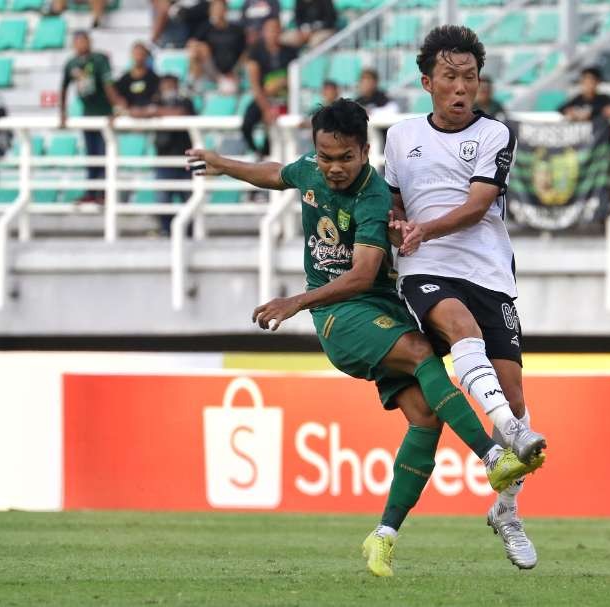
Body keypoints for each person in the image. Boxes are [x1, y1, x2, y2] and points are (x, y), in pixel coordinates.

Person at [185, 99, 544, 578]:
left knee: (426, 418)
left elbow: (362, 274)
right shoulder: (311, 171)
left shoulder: (374, 197)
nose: (333, 168)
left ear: (364, 151)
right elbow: (276, 174)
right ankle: (491, 455)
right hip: (339, 316)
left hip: (374, 307)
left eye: (345, 158)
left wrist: (295, 300)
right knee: (421, 355)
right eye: (325, 157)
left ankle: (383, 536)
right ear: (316, 151)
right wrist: (222, 163)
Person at [384, 25, 548, 571]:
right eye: (450, 77)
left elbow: (478, 206)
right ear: (427, 81)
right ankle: (510, 439)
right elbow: (391, 206)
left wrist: (420, 229)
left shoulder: (497, 134)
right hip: (425, 271)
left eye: (470, 78)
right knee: (460, 329)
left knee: (515, 394)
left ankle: (507, 510)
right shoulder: (399, 136)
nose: (461, 88)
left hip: (489, 275)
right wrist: (394, 229)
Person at [60, 30, 120, 203]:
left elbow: (108, 85)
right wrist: (63, 113)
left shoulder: (99, 60)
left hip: (103, 114)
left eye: (83, 41)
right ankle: (91, 192)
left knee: (103, 155)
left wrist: (116, 107)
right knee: (91, 156)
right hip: (88, 115)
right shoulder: (71, 64)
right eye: (77, 41)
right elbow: (63, 88)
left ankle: (103, 192)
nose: (81, 44)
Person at [133, 74, 196, 235]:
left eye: (171, 85)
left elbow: (182, 112)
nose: (168, 88)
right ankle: (166, 230)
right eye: (165, 85)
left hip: (187, 158)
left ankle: (190, 232)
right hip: (164, 158)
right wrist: (155, 111)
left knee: (189, 198)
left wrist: (156, 112)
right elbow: (136, 112)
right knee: (162, 199)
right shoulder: (156, 100)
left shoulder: (185, 100)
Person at [242, 17, 298, 155]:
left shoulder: (290, 52)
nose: (273, 33)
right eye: (269, 30)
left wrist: (279, 83)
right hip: (264, 97)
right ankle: (257, 152)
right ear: (263, 32)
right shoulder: (255, 52)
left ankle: (267, 154)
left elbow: (294, 77)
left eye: (276, 29)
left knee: (276, 128)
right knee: (247, 124)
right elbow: (256, 85)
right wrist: (266, 108)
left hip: (284, 98)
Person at [188, 0, 247, 93]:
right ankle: (193, 82)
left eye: (220, 7)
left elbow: (244, 51)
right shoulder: (206, 28)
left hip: (231, 69)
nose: (217, 11)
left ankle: (228, 80)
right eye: (215, 8)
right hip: (211, 69)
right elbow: (192, 43)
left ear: (226, 10)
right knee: (198, 48)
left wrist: (236, 70)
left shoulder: (236, 30)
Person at [114, 41, 161, 114]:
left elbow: (156, 99)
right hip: (129, 114)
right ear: (131, 55)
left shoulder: (154, 78)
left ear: (146, 56)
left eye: (142, 54)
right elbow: (119, 98)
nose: (139, 57)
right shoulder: (124, 79)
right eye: (136, 54)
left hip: (148, 115)